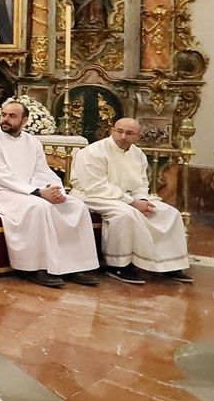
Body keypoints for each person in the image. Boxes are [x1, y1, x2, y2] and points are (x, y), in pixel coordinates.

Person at [0, 100, 101, 289]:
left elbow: (42, 171)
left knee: (75, 206)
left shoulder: (32, 142)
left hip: (25, 189)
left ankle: (74, 266)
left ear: (24, 120)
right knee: (37, 207)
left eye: (12, 116)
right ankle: (34, 267)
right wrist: (38, 193)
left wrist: (55, 190)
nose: (5, 119)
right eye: (3, 115)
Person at [70, 118, 193, 285]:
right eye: (119, 131)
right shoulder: (93, 152)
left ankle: (169, 264)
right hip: (93, 195)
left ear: (138, 136)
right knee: (126, 214)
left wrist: (141, 199)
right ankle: (119, 265)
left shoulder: (138, 155)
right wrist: (132, 202)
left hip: (125, 197)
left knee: (169, 213)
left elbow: (141, 183)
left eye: (129, 133)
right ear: (112, 130)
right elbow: (95, 186)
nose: (123, 136)